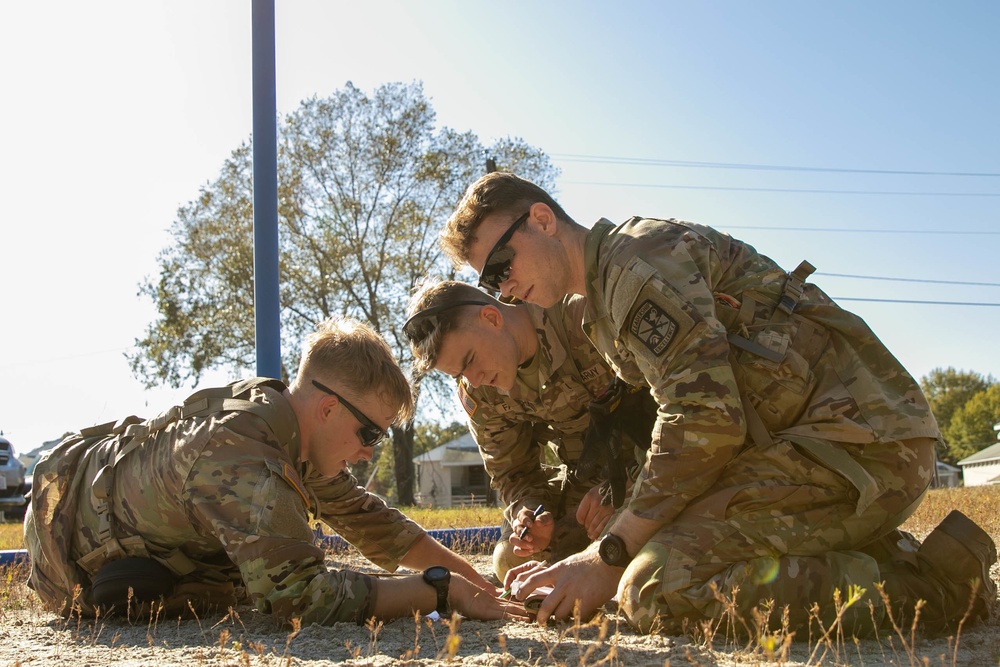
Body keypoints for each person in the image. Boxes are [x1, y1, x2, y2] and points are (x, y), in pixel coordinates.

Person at [437, 171, 997, 636]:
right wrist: (624, 514)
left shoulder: (637, 264)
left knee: (654, 585)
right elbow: (677, 427)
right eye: (489, 283)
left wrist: (606, 553)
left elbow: (705, 420)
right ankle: (878, 556)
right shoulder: (600, 304)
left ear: (541, 219)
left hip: (859, 444)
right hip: (801, 450)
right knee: (644, 553)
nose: (503, 289)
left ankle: (940, 590)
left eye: (500, 267)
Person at [25, 316, 527, 625]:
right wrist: (440, 592)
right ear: (329, 409)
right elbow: (302, 599)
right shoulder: (246, 461)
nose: (367, 454)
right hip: (66, 550)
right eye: (368, 435)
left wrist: (476, 582)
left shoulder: (290, 427)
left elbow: (373, 523)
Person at [404, 280, 655, 581]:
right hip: (585, 485)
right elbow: (512, 473)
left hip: (655, 470)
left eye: (470, 360)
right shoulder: (480, 392)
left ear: (492, 318)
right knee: (510, 561)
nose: (476, 379)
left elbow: (681, 414)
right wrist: (531, 513)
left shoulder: (581, 319)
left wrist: (624, 484)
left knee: (637, 570)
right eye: (460, 373)